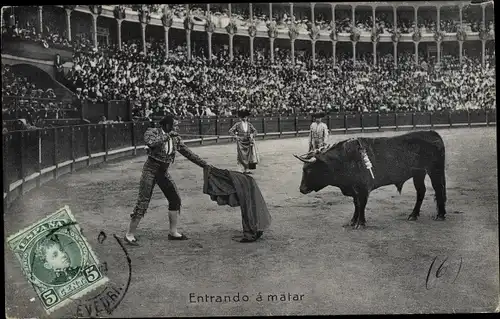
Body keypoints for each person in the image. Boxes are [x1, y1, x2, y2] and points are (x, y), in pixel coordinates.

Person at [125, 114, 211, 245]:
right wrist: (168, 136)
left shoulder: (175, 138)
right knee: (143, 202)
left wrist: (204, 164)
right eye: (174, 125)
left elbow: (188, 153)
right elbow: (151, 142)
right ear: (167, 125)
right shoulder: (152, 131)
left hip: (163, 172)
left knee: (175, 199)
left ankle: (173, 232)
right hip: (150, 170)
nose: (176, 127)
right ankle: (129, 234)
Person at [228, 109, 259, 174]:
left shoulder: (249, 124)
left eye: (246, 117)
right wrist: (235, 136)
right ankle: (240, 169)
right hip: (240, 141)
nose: (245, 118)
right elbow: (230, 131)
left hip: (248, 141)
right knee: (241, 155)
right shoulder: (238, 124)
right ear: (241, 118)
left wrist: (252, 135)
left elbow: (255, 131)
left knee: (248, 155)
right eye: (244, 117)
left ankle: (246, 169)